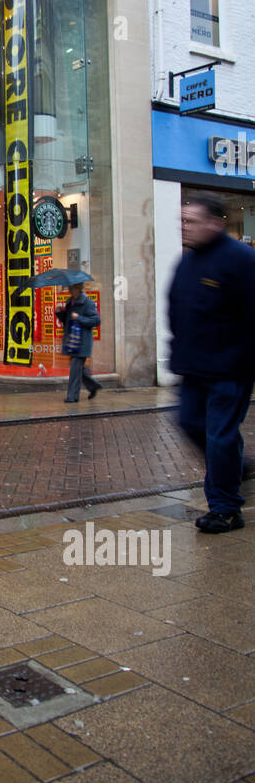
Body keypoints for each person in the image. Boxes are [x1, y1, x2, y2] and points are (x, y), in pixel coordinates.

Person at [168, 194, 255, 532]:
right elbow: (175, 308)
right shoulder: (187, 262)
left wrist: (243, 359)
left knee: (219, 436)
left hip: (231, 369)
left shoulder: (241, 260)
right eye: (182, 221)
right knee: (190, 424)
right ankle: (236, 465)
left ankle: (225, 508)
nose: (184, 227)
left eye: (191, 221)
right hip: (193, 368)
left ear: (215, 223)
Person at [56, 282, 101, 404]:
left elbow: (96, 320)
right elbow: (66, 320)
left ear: (79, 289)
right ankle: (93, 386)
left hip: (82, 341)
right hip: (72, 340)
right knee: (78, 368)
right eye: (69, 288)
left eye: (72, 288)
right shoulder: (70, 302)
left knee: (75, 369)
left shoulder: (88, 303)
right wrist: (60, 313)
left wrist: (79, 318)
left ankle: (72, 396)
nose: (70, 291)